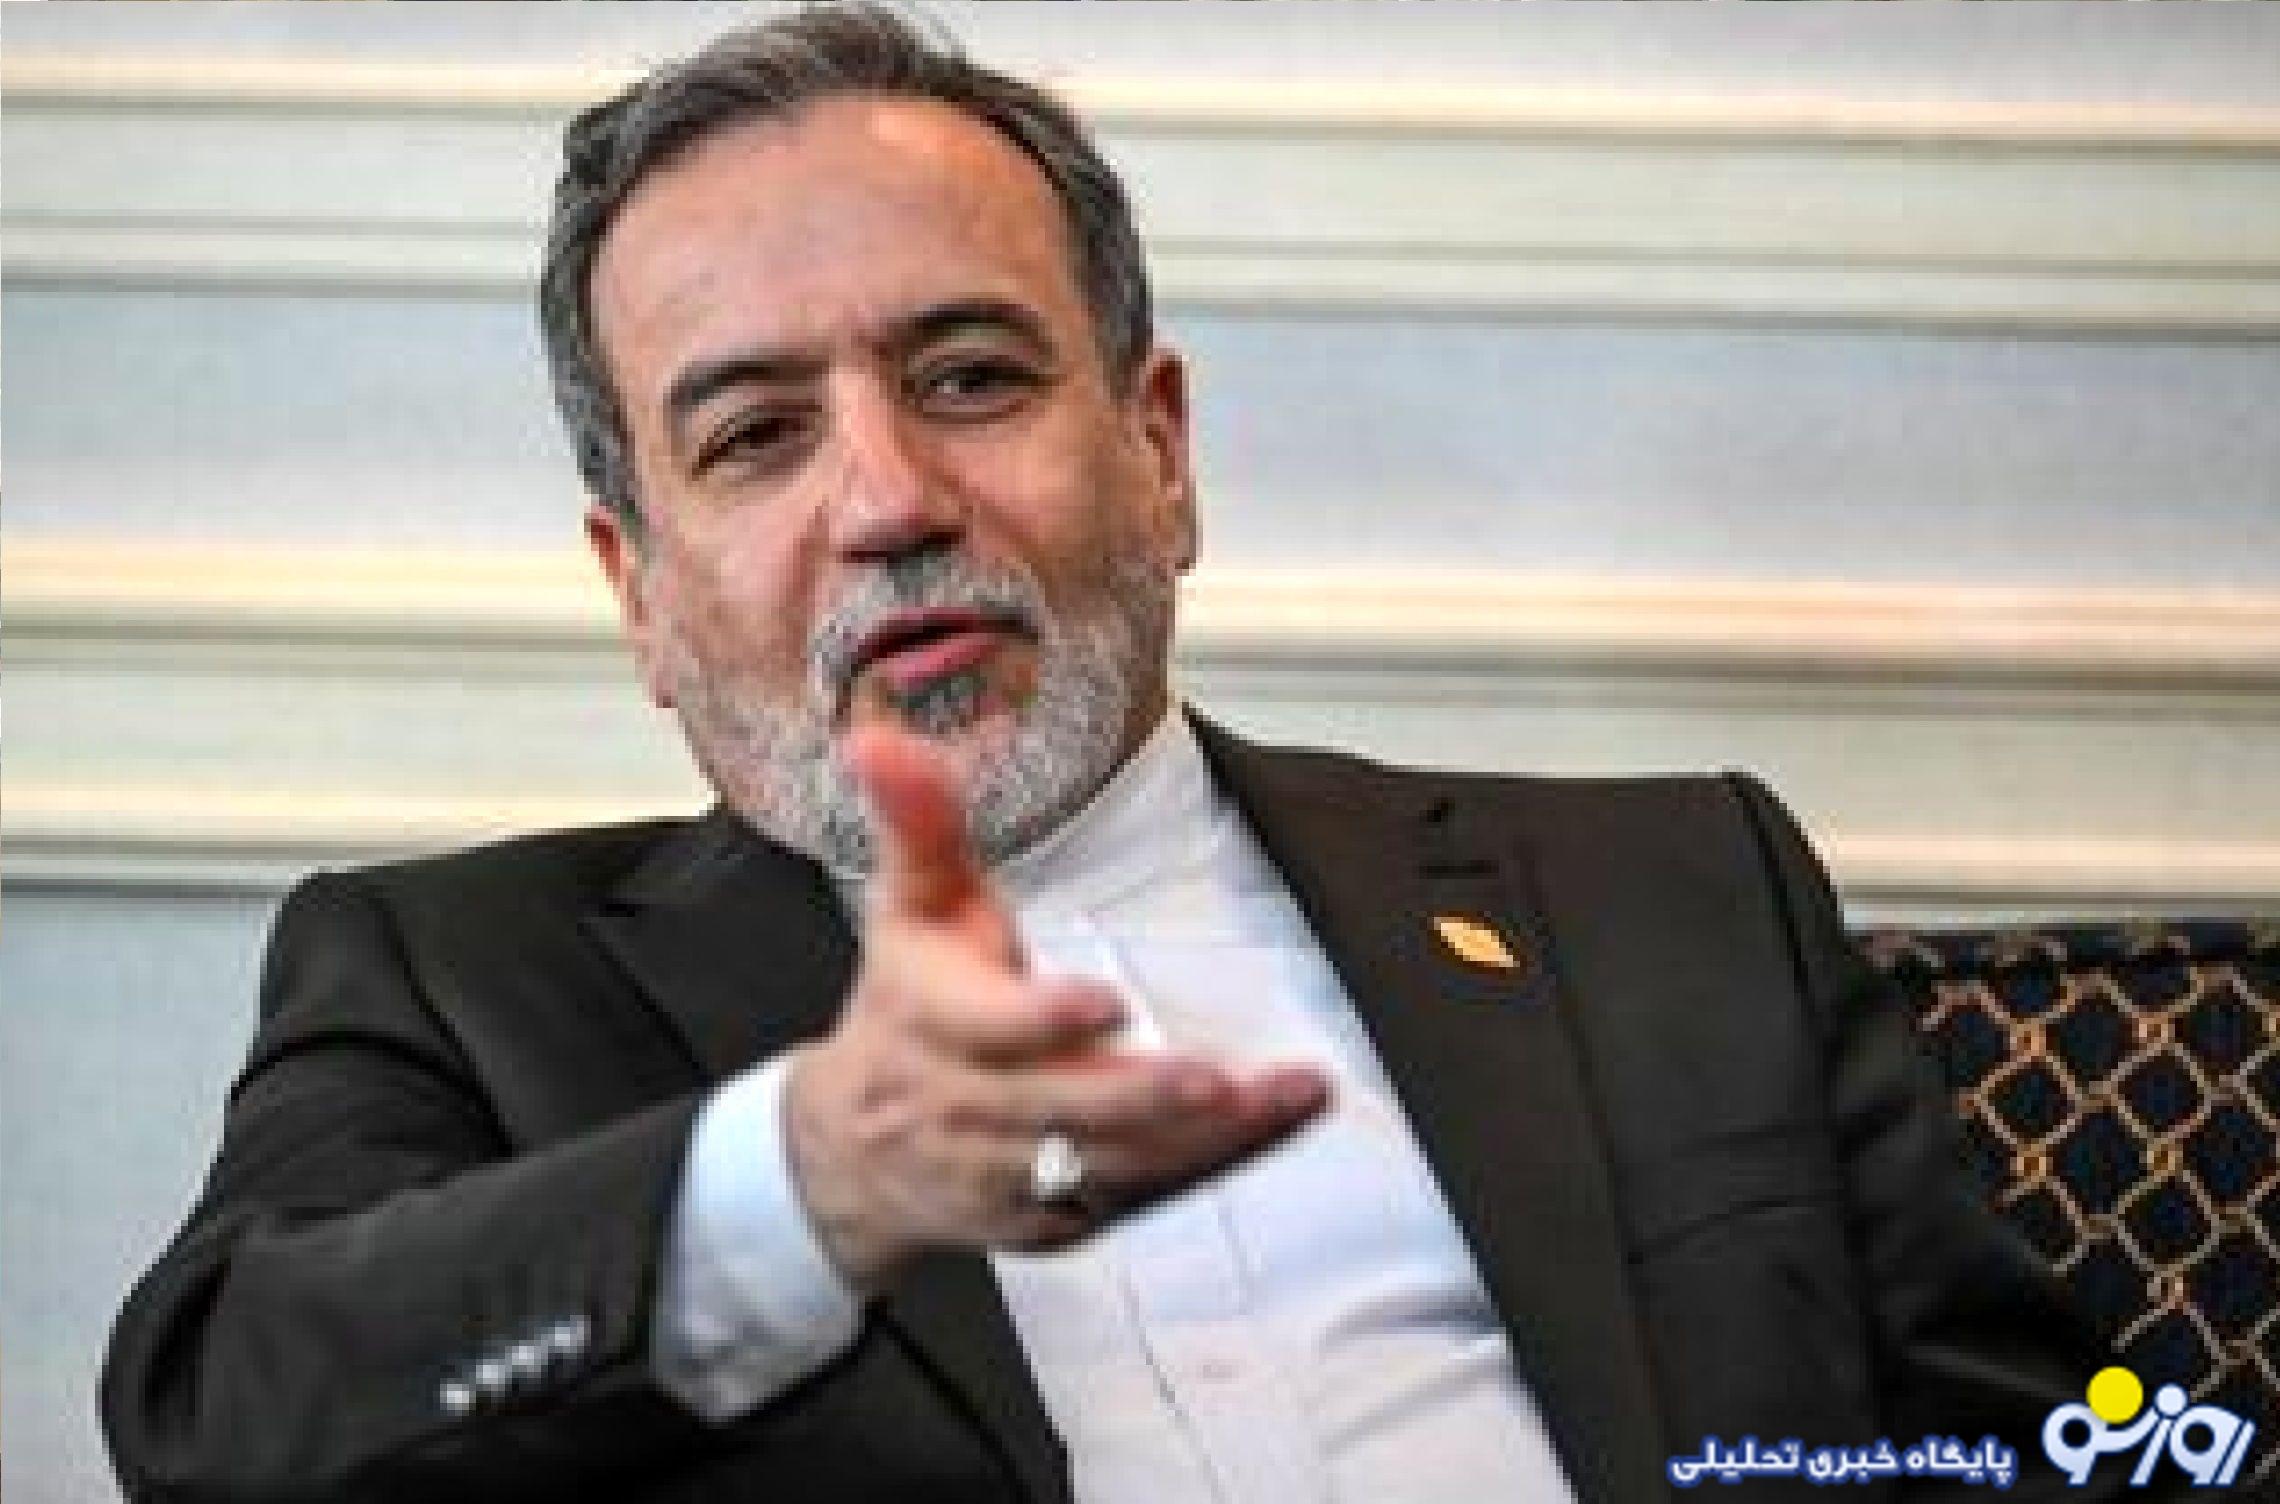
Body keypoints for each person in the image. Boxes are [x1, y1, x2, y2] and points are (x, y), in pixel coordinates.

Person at [103, 8, 2138, 1501]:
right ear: (640, 591)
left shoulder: (1668, 891)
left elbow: (2076, 1445)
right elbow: (223, 1421)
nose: (890, 499)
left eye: (970, 376)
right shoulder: (460, 977)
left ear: (1158, 454)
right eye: (758, 435)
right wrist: (814, 1177)